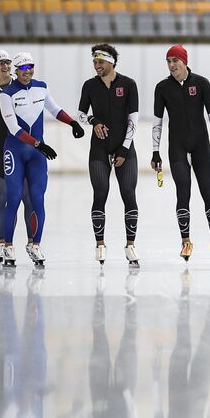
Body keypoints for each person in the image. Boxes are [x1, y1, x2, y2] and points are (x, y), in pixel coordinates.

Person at [0, 51, 84, 267]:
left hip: (37, 154)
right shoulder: (6, 94)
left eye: (31, 68)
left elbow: (54, 109)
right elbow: (13, 128)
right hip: (16, 150)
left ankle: (35, 245)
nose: (28, 72)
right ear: (16, 71)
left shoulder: (41, 87)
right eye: (23, 69)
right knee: (15, 198)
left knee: (37, 199)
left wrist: (72, 123)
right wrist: (39, 144)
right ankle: (8, 245)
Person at [151, 44, 210, 263]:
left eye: (175, 60)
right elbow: (157, 122)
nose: (172, 65)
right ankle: (186, 242)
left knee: (208, 192)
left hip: (201, 147)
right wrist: (155, 152)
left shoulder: (201, 83)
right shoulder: (162, 87)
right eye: (168, 61)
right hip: (177, 147)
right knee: (182, 193)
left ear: (185, 61)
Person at [78, 43, 140, 267]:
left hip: (125, 148)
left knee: (128, 194)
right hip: (99, 148)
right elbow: (81, 115)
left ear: (111, 62)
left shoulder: (128, 84)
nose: (96, 65)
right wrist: (94, 121)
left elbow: (133, 120)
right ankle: (100, 244)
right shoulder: (89, 86)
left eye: (100, 62)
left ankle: (130, 245)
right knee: (100, 193)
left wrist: (124, 148)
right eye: (94, 62)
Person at [0, 50, 33, 263]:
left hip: (24, 152)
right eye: (0, 63)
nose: (5, 67)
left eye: (8, 63)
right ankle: (2, 244)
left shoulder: (20, 87)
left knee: (28, 198)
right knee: (2, 199)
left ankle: (32, 244)